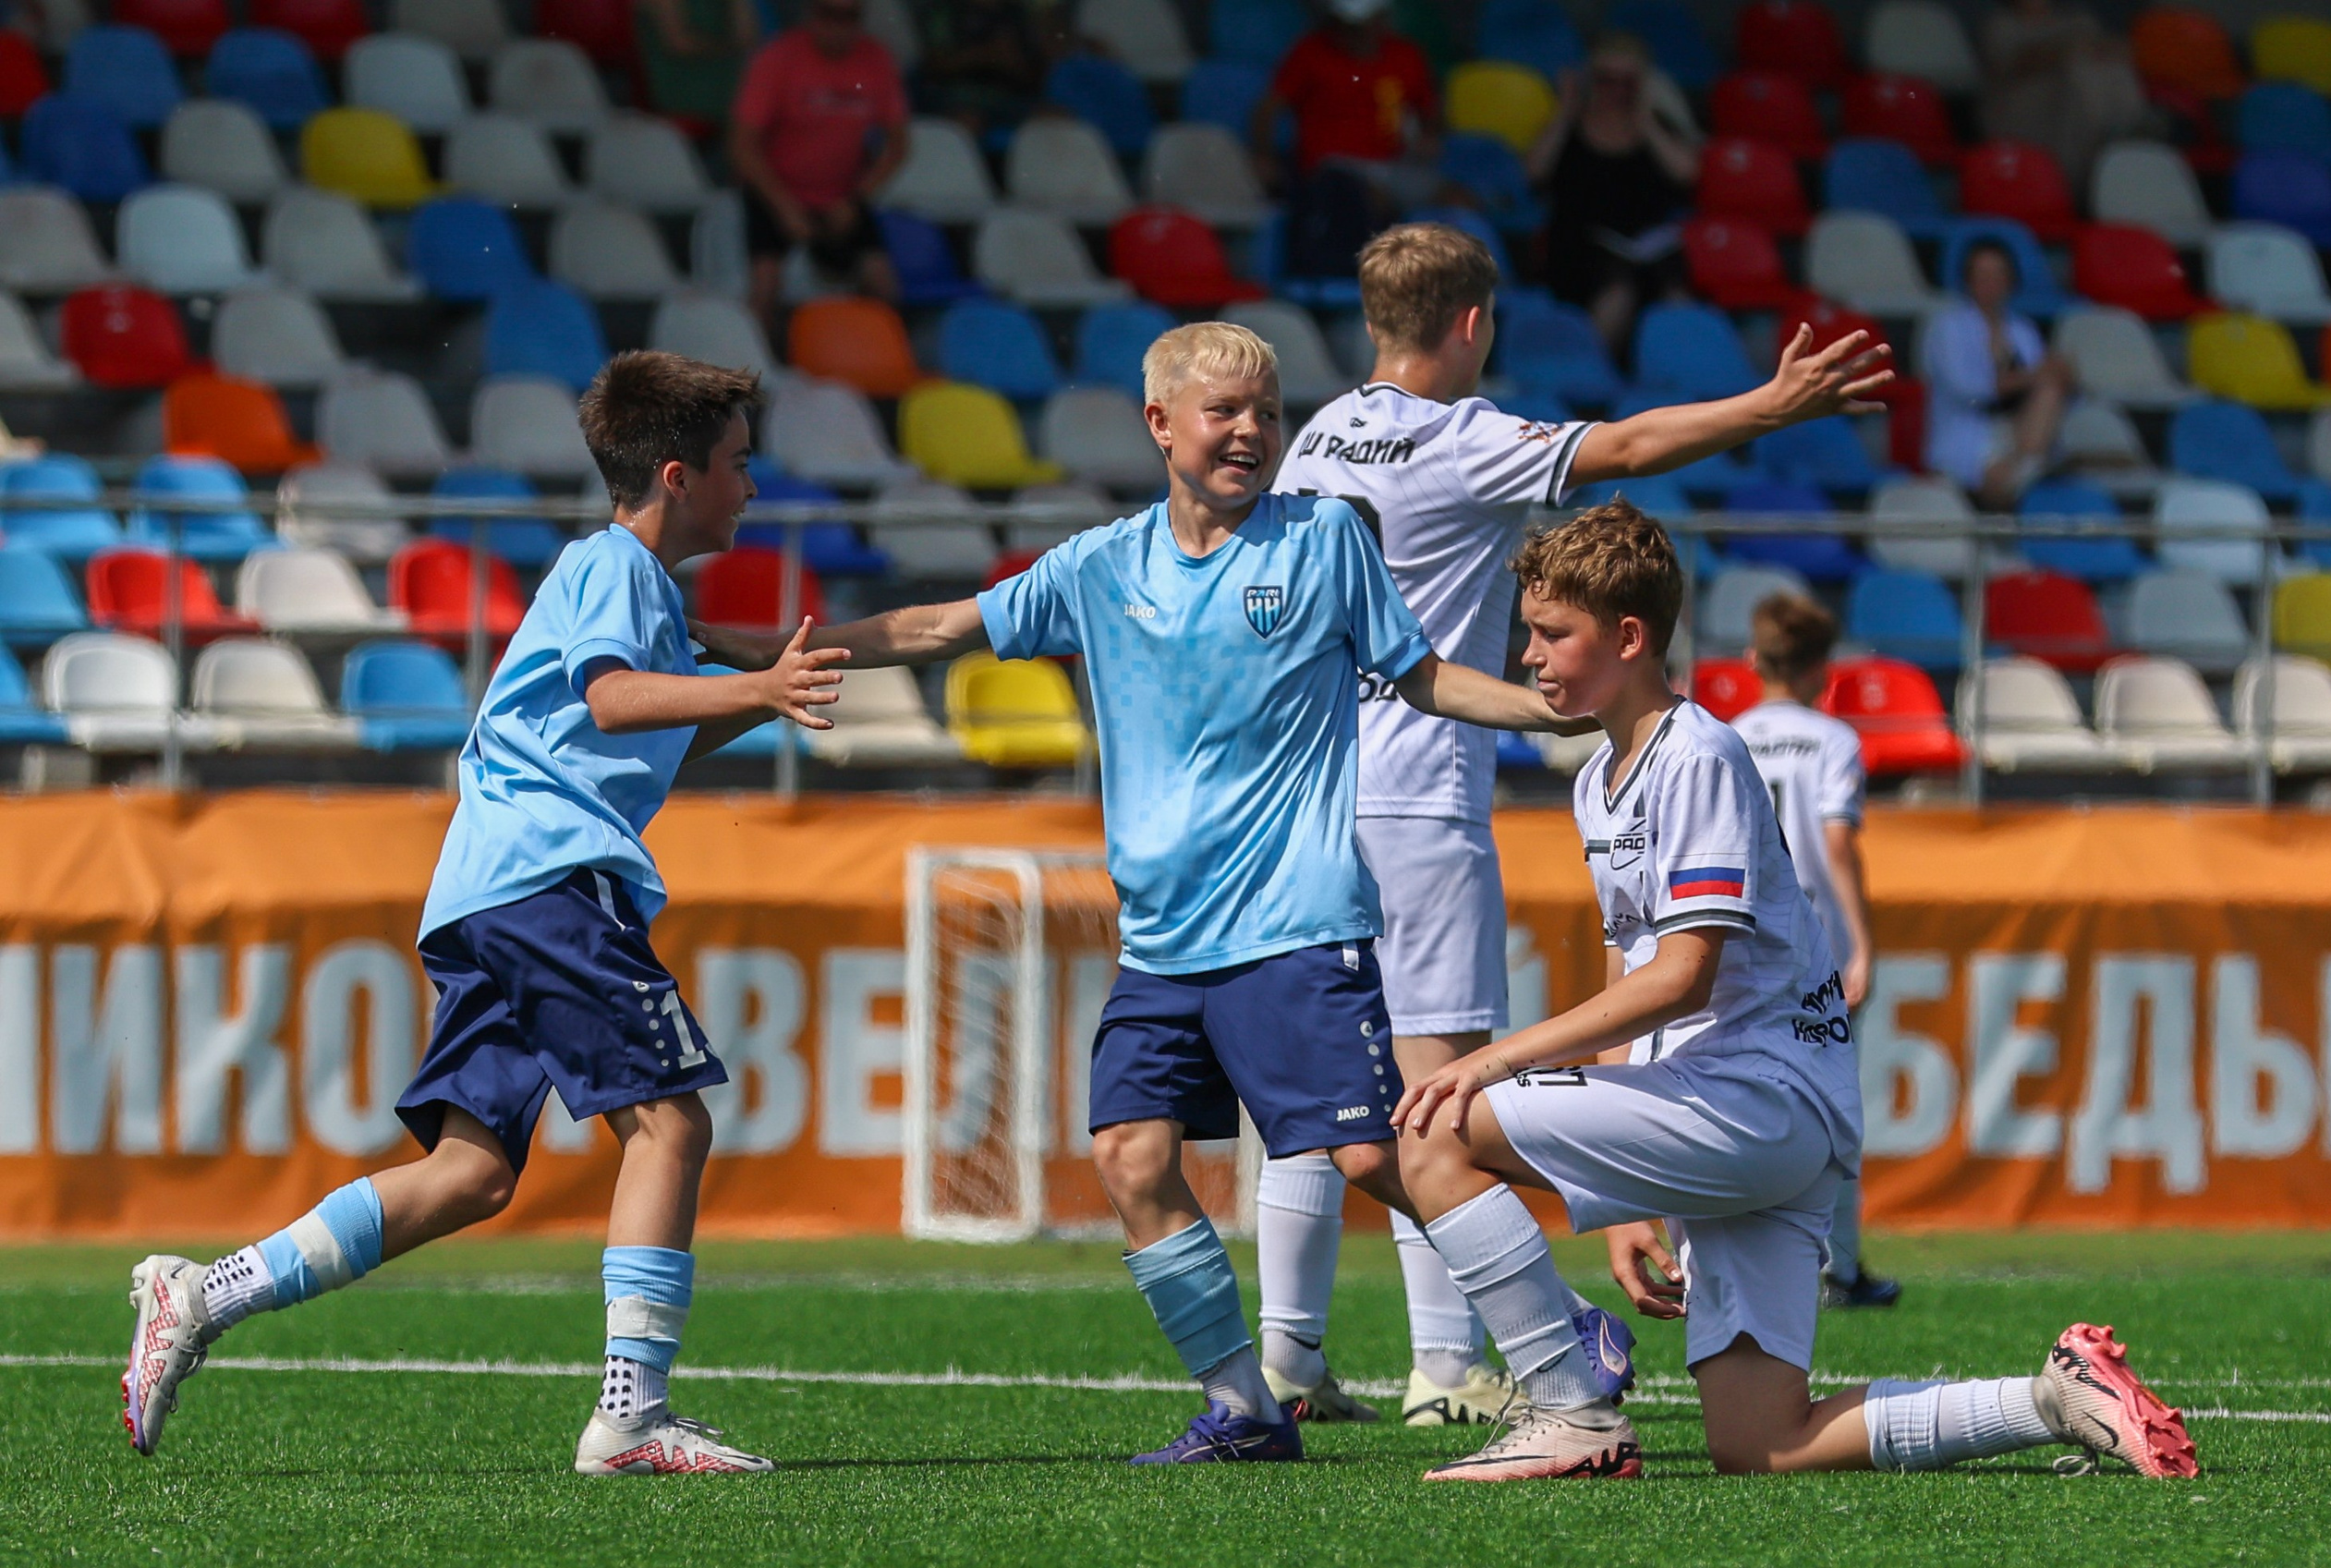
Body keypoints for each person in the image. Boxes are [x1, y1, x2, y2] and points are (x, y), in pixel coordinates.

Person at [698, 322, 1596, 1465]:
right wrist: (771, 650)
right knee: (1129, 1156)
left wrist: (1554, 713)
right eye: (1224, 411)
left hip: (1295, 923)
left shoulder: (1323, 539)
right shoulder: (1099, 565)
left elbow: (1420, 675)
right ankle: (1247, 1407)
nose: (1251, 432)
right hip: (1164, 943)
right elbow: (937, 626)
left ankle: (1566, 1340)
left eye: (1267, 413)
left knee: (1374, 1157)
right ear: (1160, 424)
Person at [120, 353, 849, 1476]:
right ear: (676, 473)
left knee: (472, 1172)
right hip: (546, 883)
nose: (754, 487)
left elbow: (638, 725)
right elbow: (613, 699)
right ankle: (632, 1417)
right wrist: (759, 685)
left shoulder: (644, 592)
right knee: (672, 1123)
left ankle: (201, 1289)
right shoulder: (615, 568)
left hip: (493, 888)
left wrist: (757, 695)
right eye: (740, 465)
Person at [1388, 501, 2199, 1484]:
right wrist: (1626, 1202)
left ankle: (1570, 1403)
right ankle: (2052, 1395)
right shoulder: (1598, 775)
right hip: (1743, 1113)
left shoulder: (1697, 754)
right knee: (1761, 1439)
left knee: (1436, 1123)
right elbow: (1628, 959)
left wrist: (1498, 1053)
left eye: (1552, 631)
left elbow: (1686, 972)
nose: (1528, 655)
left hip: (1755, 1102)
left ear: (1629, 636)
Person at [1257, 222, 1898, 1429]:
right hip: (1417, 787)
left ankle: (1288, 1350)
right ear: (1471, 324)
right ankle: (1464, 1357)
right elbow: (1633, 445)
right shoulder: (1462, 433)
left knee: (1324, 1092)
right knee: (1441, 1089)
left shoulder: (1311, 438)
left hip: (1304, 794)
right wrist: (1771, 403)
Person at [1733, 591, 1899, 1311]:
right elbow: (1836, 839)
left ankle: (1737, 1257)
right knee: (1831, 1102)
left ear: (1752, 661)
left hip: (1741, 938)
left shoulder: (1729, 733)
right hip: (1810, 944)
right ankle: (1839, 1267)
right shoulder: (1833, 739)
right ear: (1824, 670)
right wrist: (1860, 943)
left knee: (1738, 1091)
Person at [731, 0, 910, 322]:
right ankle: (753, 368)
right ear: (811, 13)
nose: (839, 26)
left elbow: (898, 146)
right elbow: (743, 146)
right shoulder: (777, 58)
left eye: (850, 17)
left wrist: (855, 200)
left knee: (884, 285)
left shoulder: (876, 59)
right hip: (776, 192)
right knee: (765, 285)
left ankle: (876, 363)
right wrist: (783, 206)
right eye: (830, 14)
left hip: (842, 195)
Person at [1527, 35, 1699, 359]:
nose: (1617, 91)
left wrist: (1646, 119)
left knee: (1676, 291)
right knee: (1617, 289)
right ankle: (1591, 375)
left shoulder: (1655, 127)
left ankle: (1683, 379)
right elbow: (1534, 171)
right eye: (1606, 80)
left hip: (1647, 248)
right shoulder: (1570, 126)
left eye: (1628, 82)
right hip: (1579, 247)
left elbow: (1686, 173)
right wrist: (1566, 110)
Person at [1255, 0, 1439, 274]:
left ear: (1382, 19)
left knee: (1457, 201)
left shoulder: (1405, 54)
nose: (1354, 33)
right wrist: (1265, 155)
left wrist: (1428, 137)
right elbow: (1268, 109)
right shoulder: (1311, 52)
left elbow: (1430, 115)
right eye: (1348, 25)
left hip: (1395, 165)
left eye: (1362, 24)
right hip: (1333, 169)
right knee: (1366, 199)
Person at [1924, 238, 2075, 509]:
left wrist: (2059, 372)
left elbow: (2040, 381)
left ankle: (2023, 467)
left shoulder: (2022, 329)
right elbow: (1967, 390)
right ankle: (2016, 477)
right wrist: (2031, 376)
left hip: (2016, 431)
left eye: (1998, 274)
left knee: (2052, 390)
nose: (1991, 282)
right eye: (1982, 274)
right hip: (1968, 432)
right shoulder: (1948, 326)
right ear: (1968, 279)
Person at [1981, 0, 2146, 194]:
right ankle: (2081, 181)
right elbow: (2014, 63)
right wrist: (2066, 50)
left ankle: (2130, 129)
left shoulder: (2077, 20)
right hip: (2025, 111)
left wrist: (2103, 49)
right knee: (2079, 71)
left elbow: (2116, 49)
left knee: (2111, 68)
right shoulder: (2000, 25)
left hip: (2087, 109)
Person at [909, 0, 1049, 141]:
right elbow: (933, 64)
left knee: (1052, 120)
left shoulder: (1016, 12)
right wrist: (985, 54)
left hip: (1010, 98)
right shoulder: (944, 11)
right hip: (956, 96)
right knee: (965, 123)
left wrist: (1013, 62)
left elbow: (1036, 73)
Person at [637, 0, 762, 128]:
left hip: (730, 97)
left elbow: (747, 36)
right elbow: (679, 43)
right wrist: (727, 49)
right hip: (681, 96)